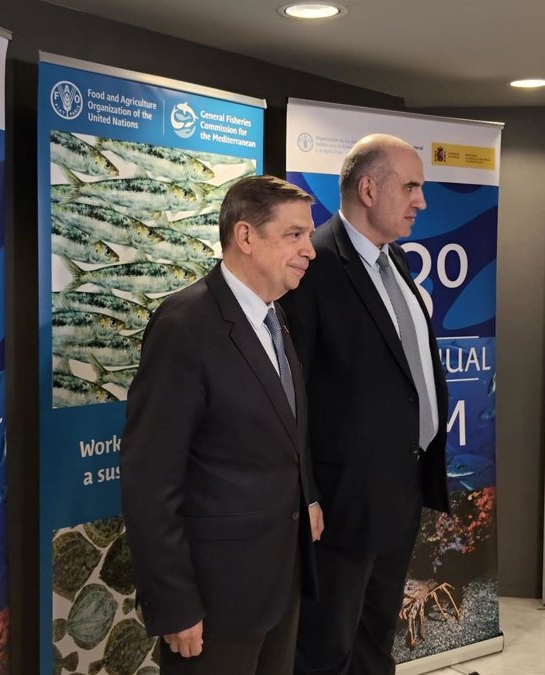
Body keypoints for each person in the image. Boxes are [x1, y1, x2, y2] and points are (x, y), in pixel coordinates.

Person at [121, 175, 324, 675]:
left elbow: (283, 429)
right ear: (246, 236)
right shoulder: (184, 325)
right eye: (294, 235)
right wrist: (174, 602)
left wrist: (308, 495)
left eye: (308, 235)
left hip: (278, 584)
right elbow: (150, 480)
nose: (310, 249)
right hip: (215, 601)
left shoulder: (274, 317)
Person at [279, 134, 450, 675]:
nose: (421, 201)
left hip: (399, 491)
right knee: (326, 649)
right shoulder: (314, 266)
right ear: (369, 189)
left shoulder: (392, 257)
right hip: (341, 506)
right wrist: (307, 493)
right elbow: (291, 396)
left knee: (376, 642)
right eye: (411, 187)